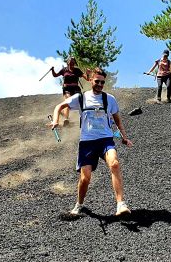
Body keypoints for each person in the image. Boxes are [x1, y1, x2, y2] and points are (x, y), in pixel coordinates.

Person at [48, 68, 133, 217]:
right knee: (85, 178)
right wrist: (56, 121)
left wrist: (124, 137)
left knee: (115, 164)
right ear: (91, 80)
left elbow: (117, 120)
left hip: (105, 139)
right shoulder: (81, 98)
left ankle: (121, 204)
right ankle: (79, 204)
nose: (100, 84)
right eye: (97, 81)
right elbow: (59, 107)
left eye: (102, 82)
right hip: (87, 142)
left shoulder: (109, 99)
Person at [50, 57, 90, 126]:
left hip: (76, 89)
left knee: (81, 101)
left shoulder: (77, 70)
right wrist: (52, 70)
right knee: (68, 101)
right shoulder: (64, 70)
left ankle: (84, 116)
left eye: (73, 62)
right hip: (67, 89)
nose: (72, 64)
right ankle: (66, 118)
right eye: (71, 62)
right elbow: (55, 75)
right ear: (67, 62)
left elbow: (87, 78)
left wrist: (87, 74)